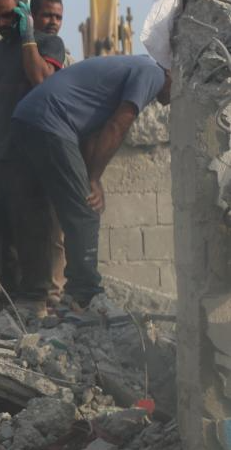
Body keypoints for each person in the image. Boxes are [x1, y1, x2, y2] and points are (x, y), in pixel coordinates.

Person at [12, 55, 171, 310]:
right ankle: (83, 296)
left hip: (27, 117)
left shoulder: (133, 66)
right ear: (173, 72)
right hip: (51, 120)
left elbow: (91, 133)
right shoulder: (155, 73)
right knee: (85, 210)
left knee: (43, 211)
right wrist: (93, 179)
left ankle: (33, 296)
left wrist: (89, 177)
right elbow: (118, 125)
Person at [0, 0, 67, 311]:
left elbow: (41, 79)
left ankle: (36, 296)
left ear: (24, 12)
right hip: (0, 152)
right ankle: (10, 295)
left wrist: (28, 37)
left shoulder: (47, 44)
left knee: (33, 227)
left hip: (31, 152)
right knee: (2, 227)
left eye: (8, 16)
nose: (1, 23)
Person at [31, 0, 74, 67]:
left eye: (58, 17)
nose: (54, 22)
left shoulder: (68, 62)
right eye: (47, 16)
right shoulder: (22, 50)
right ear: (33, 16)